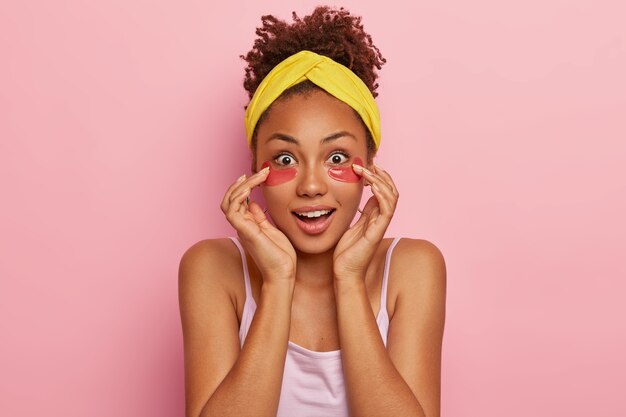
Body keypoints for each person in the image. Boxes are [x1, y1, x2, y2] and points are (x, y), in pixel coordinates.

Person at [178, 6, 446, 417]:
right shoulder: (213, 268)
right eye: (285, 159)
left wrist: (350, 279)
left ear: (370, 165)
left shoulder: (412, 268)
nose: (311, 186)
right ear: (255, 170)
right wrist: (278, 281)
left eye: (336, 156)